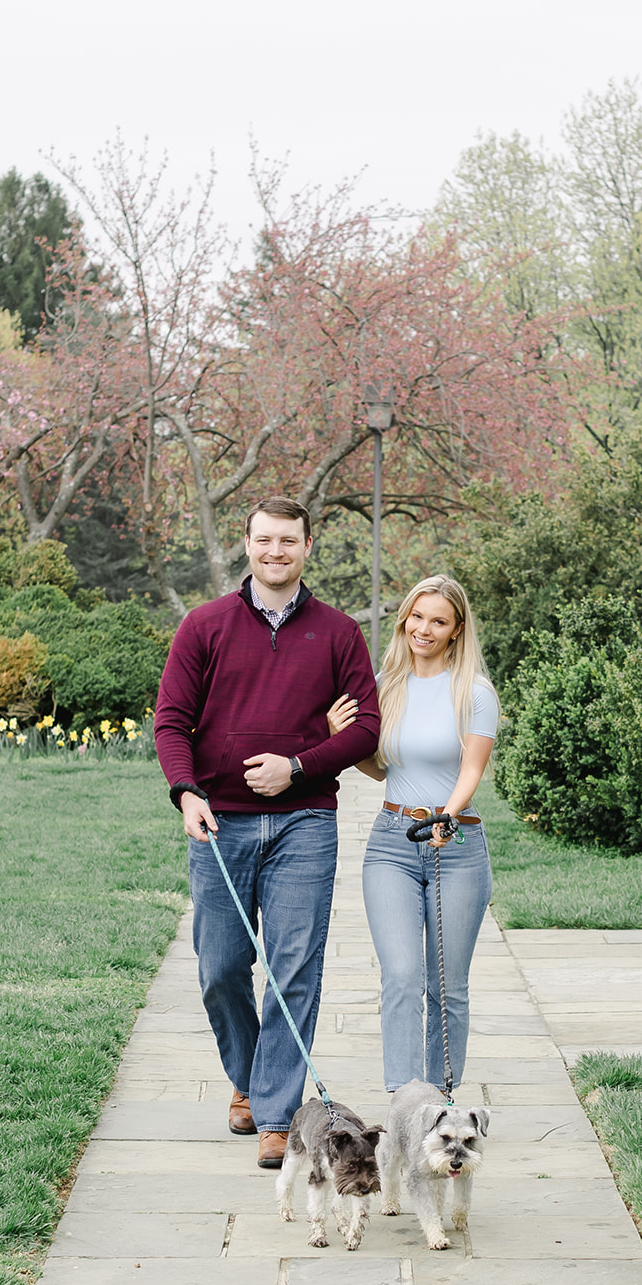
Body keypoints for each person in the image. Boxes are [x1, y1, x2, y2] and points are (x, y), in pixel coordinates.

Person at [154, 496, 382, 1168]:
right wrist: (185, 791)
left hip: (305, 822)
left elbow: (367, 728)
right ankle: (249, 1078)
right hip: (218, 821)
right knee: (221, 968)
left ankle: (276, 1113)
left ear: (308, 547)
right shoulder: (204, 626)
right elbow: (170, 720)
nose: (275, 551)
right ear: (245, 545)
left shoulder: (338, 633)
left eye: (288, 540)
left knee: (293, 970)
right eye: (264, 540)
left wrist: (299, 767)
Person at [328, 575, 497, 1093]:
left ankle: (441, 1099)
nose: (424, 628)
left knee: (447, 987)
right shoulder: (385, 686)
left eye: (438, 621)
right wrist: (343, 740)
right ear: (404, 618)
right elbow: (381, 769)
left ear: (456, 630)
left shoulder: (474, 692)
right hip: (392, 843)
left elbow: (472, 769)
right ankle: (406, 1102)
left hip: (457, 844)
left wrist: (449, 812)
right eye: (417, 616)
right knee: (401, 977)